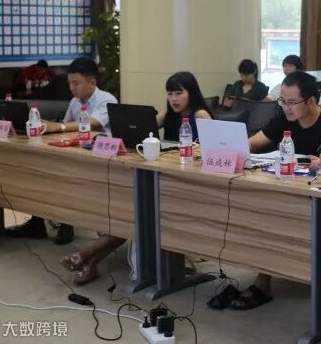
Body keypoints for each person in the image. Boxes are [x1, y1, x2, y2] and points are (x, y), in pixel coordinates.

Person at [208, 71, 321, 311]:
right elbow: (254, 142)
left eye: (292, 102)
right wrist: (224, 147)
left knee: (276, 217)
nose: (286, 107)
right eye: (283, 101)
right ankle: (263, 281)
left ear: (311, 101)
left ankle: (278, 283)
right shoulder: (284, 119)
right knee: (264, 215)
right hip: (291, 192)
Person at [59, 72, 212, 284]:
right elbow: (142, 126)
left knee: (140, 216)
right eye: (170, 94)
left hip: (189, 185)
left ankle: (87, 255)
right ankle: (89, 261)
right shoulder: (169, 114)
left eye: (179, 93)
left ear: (191, 93)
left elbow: (213, 149)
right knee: (136, 214)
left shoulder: (201, 115)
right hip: (165, 178)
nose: (174, 99)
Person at [5, 57, 117, 245]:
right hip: (75, 155)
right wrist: (49, 126)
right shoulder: (75, 101)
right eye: (69, 83)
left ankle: (67, 222)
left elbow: (91, 123)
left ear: (92, 82)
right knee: (40, 172)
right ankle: (40, 221)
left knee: (63, 178)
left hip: (100, 161)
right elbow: (65, 125)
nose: (72, 88)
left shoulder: (107, 99)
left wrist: (58, 127)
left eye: (76, 83)